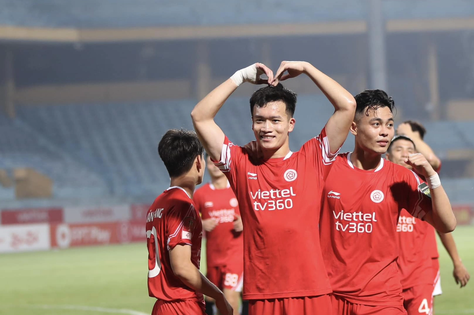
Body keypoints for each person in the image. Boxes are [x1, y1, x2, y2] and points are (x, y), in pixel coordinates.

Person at [191, 61, 356, 315]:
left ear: (290, 124)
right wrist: (241, 76)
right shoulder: (240, 163)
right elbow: (199, 116)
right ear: (252, 124)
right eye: (260, 120)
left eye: (275, 120)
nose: (267, 128)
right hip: (263, 295)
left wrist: (308, 69)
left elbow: (347, 105)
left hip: (313, 292)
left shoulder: (313, 158)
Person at [319, 89, 457, 315]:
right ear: (353, 127)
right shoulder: (326, 169)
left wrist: (432, 177)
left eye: (389, 125)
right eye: (376, 124)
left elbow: (447, 224)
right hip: (331, 296)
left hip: (382, 299)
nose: (384, 132)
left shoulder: (400, 177)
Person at [146, 129, 233, 315]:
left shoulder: (157, 204)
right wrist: (218, 296)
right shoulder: (183, 206)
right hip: (182, 305)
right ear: (198, 162)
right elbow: (182, 267)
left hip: (162, 306)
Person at [386, 135, 469, 315]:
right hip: (387, 279)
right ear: (387, 156)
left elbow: (443, 226)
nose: (404, 154)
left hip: (419, 275)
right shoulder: (378, 187)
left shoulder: (424, 189)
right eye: (398, 149)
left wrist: (457, 262)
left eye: (409, 150)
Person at [194, 157, 244, 315]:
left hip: (235, 255)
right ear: (205, 166)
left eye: (217, 162)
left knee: (230, 295)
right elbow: (188, 222)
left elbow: (258, 213)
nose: (214, 166)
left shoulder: (239, 189)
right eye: (210, 163)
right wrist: (201, 224)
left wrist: (245, 221)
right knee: (216, 299)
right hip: (214, 256)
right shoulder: (200, 194)